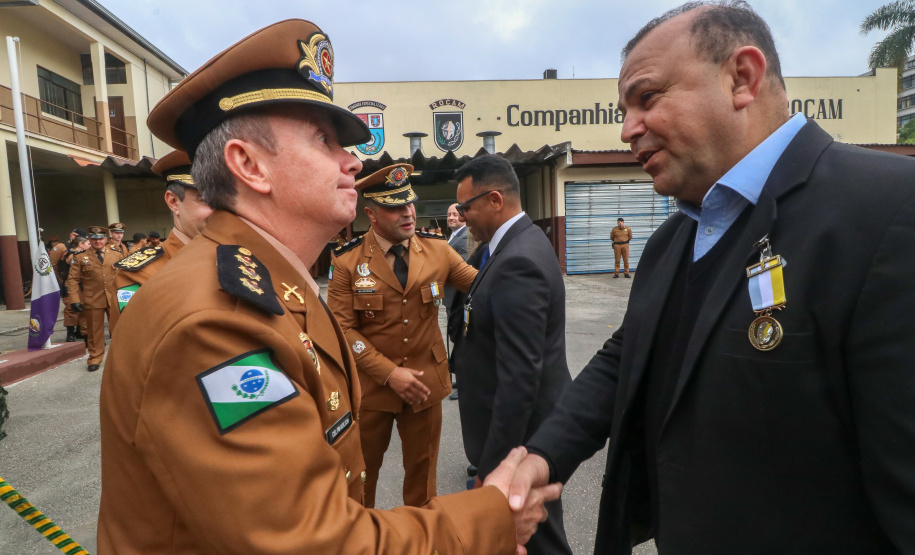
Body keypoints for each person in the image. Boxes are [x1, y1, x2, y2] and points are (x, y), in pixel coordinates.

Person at [98, 19, 558, 554]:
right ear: (248, 165)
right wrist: (489, 519)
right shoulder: (214, 321)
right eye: (324, 139)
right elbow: (311, 542)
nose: (354, 160)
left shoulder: (270, 283)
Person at [506, 2, 915, 554]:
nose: (628, 129)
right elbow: (628, 354)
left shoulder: (889, 209)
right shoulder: (673, 239)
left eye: (647, 98)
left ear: (741, 78)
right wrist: (541, 455)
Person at [327, 164, 478, 509]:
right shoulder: (348, 261)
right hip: (371, 391)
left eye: (409, 202)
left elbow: (481, 285)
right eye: (395, 206)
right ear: (371, 214)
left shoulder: (438, 250)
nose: (408, 212)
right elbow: (342, 329)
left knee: (423, 481)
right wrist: (389, 373)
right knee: (362, 480)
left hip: (425, 386)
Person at [451, 154, 574, 555]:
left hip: (521, 440)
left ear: (495, 200)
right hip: (524, 434)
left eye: (466, 206)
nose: (462, 215)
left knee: (539, 540)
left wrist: (493, 468)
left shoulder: (518, 259)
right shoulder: (512, 246)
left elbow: (520, 377)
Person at [112, 150, 214, 319]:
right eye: (206, 199)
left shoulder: (245, 257)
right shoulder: (142, 274)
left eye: (228, 199)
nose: (221, 210)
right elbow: (138, 343)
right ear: (173, 202)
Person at [66, 226, 119, 371]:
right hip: (92, 299)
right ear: (89, 239)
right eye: (94, 239)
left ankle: (120, 358)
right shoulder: (80, 257)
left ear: (106, 239)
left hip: (113, 298)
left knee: (119, 330)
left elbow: (124, 276)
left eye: (101, 238)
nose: (98, 242)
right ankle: (95, 358)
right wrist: (75, 300)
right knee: (95, 332)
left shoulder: (116, 254)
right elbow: (72, 280)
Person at [444, 202, 470, 400]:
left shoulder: (465, 237)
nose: (451, 217)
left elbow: (458, 269)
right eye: (449, 215)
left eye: (455, 214)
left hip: (458, 299)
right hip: (451, 299)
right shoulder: (453, 236)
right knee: (456, 338)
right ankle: (460, 377)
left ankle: (465, 383)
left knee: (462, 342)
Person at [60, 234, 90, 342]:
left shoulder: (84, 255)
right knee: (71, 310)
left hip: (83, 286)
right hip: (71, 286)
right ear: (81, 245)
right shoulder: (72, 256)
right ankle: (70, 333)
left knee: (84, 310)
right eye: (88, 244)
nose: (90, 246)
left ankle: (82, 332)